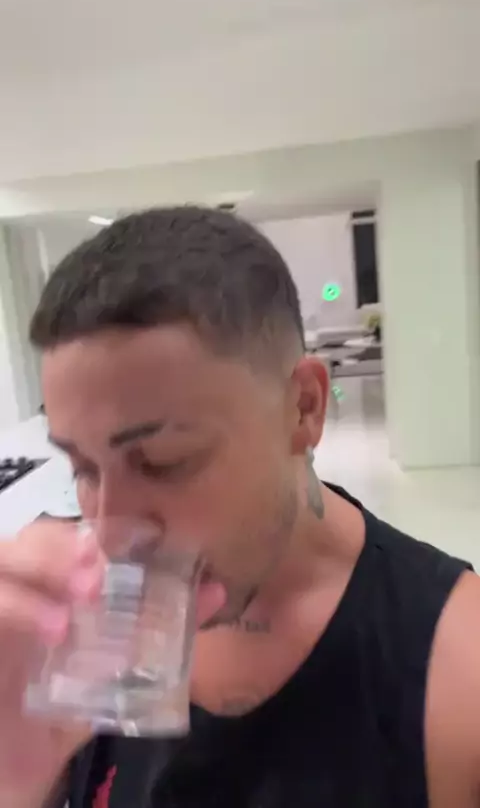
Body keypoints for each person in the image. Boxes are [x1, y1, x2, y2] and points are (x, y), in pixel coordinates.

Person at [1, 207, 479, 808]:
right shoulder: (63, 619)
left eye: (164, 460)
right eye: (83, 468)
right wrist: (15, 783)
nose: (110, 532)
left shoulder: (456, 668)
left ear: (303, 407)